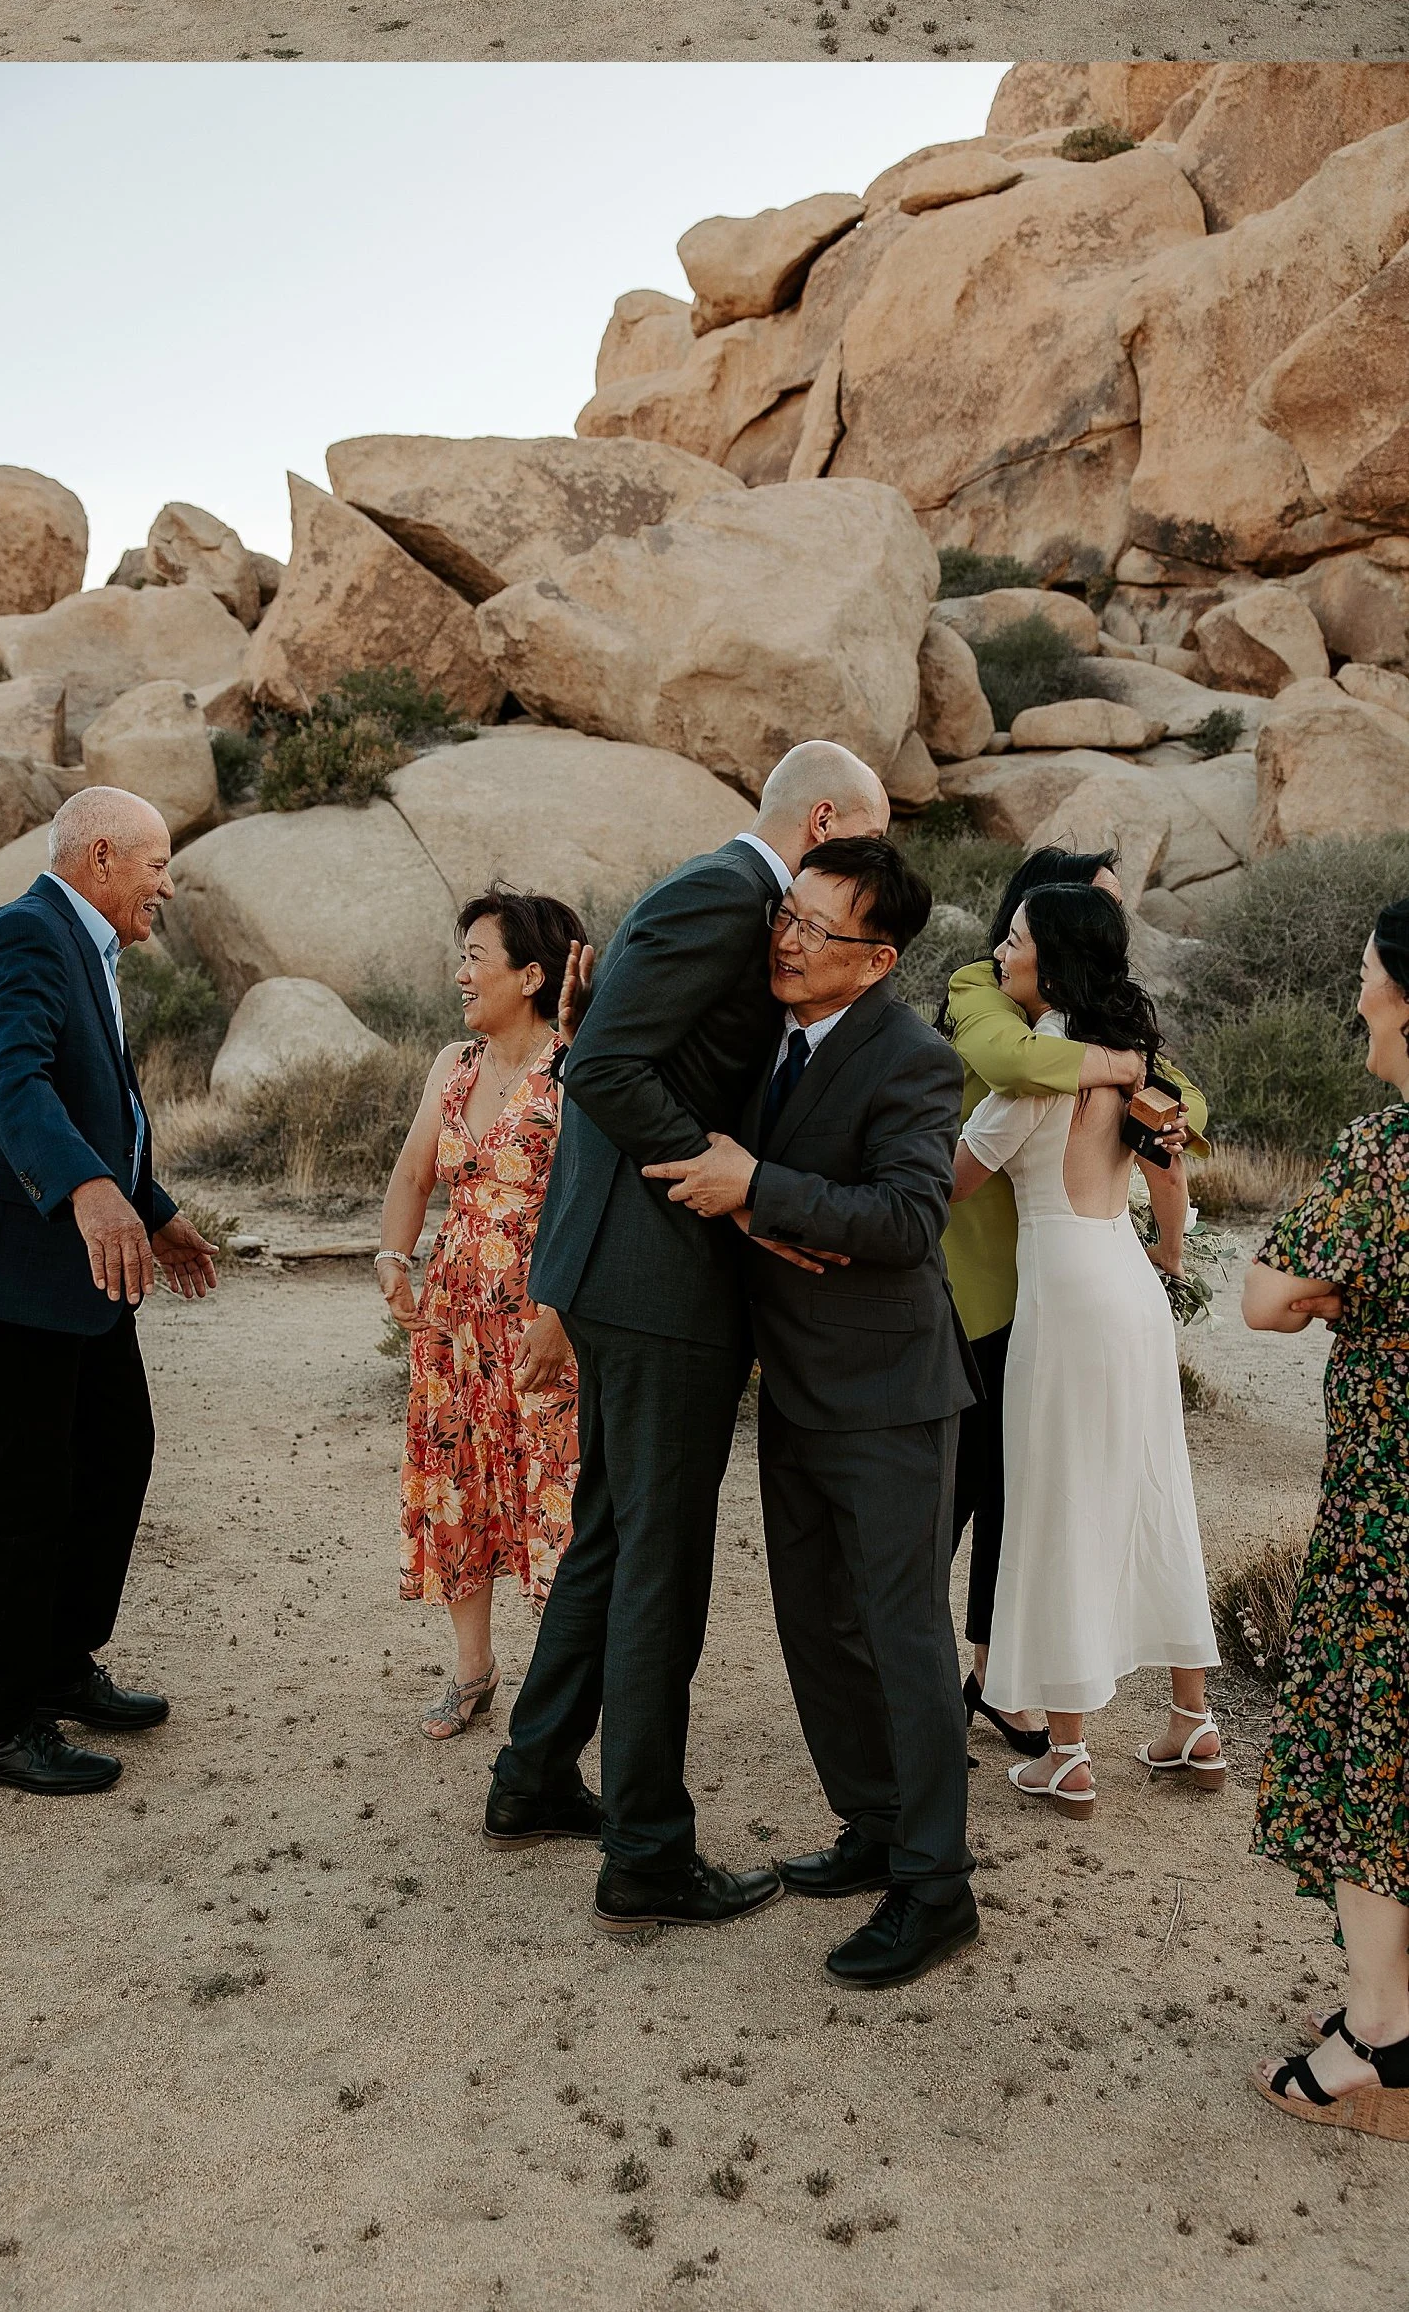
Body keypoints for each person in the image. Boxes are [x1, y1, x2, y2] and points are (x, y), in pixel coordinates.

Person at [482, 738, 890, 1923]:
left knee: (613, 1535)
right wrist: (723, 1175)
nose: (871, 865)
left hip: (625, 1271)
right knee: (663, 1562)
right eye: (864, 841)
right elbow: (602, 1062)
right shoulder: (726, 893)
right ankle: (648, 1854)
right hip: (660, 1279)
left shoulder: (728, 895)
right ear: (822, 821)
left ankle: (534, 1775)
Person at [650, 830, 978, 1994]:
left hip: (890, 1394)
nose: (784, 942)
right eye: (784, 916)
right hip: (788, 1384)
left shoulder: (916, 1063)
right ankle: (875, 1823)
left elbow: (904, 1220)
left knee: (905, 1641)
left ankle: (937, 1888)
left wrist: (758, 1188)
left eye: (816, 931)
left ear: (879, 961)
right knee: (814, 1628)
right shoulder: (761, 1026)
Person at [0, 787, 217, 1794]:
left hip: (75, 1269)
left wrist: (152, 1205)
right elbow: (13, 1079)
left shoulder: (85, 945)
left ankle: (57, 1662)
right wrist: (87, 1192)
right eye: (157, 865)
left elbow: (102, 1103)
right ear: (100, 857)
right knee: (29, 1494)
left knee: (114, 1451)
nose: (166, 885)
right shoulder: (22, 938)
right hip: (17, 1266)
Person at [952, 880, 1220, 1815]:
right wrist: (1172, 1251)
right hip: (1131, 1285)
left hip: (1064, 1297)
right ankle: (1193, 1721)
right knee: (1153, 1488)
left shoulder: (1044, 1066)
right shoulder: (1132, 1059)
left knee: (1054, 1501)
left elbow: (954, 1180)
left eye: (1016, 938)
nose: (1000, 951)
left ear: (1053, 959)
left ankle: (1066, 1748)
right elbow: (1170, 1163)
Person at [1244, 895, 1409, 2134]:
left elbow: (1262, 1298)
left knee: (1375, 1751)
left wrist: (1337, 1304)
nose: (1353, 995)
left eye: (1363, 974)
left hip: (1388, 1508)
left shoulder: (1388, 1152)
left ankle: (1376, 2039)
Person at [376, 885, 589, 1739]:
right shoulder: (452, 1065)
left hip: (544, 1319)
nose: (459, 973)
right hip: (455, 1317)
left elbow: (594, 1203)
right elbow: (411, 1176)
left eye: (476, 957)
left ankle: (560, 1690)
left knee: (554, 1495)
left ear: (531, 974)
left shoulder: (574, 1064)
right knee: (459, 1485)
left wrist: (563, 1313)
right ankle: (472, 1673)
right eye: (460, 955)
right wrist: (395, 1260)